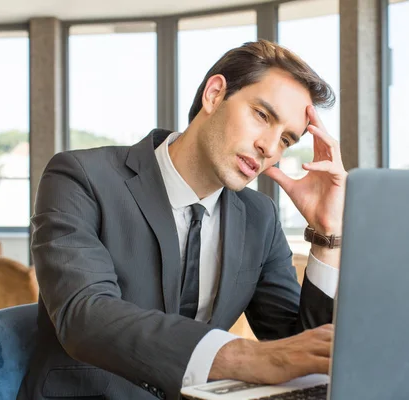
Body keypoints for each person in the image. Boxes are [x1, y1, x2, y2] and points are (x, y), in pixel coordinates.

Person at [18, 39, 347, 400]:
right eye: (262, 116)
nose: (269, 147)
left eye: (286, 139)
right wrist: (243, 355)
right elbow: (85, 316)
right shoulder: (80, 177)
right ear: (214, 94)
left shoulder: (259, 217)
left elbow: (298, 350)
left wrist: (327, 233)